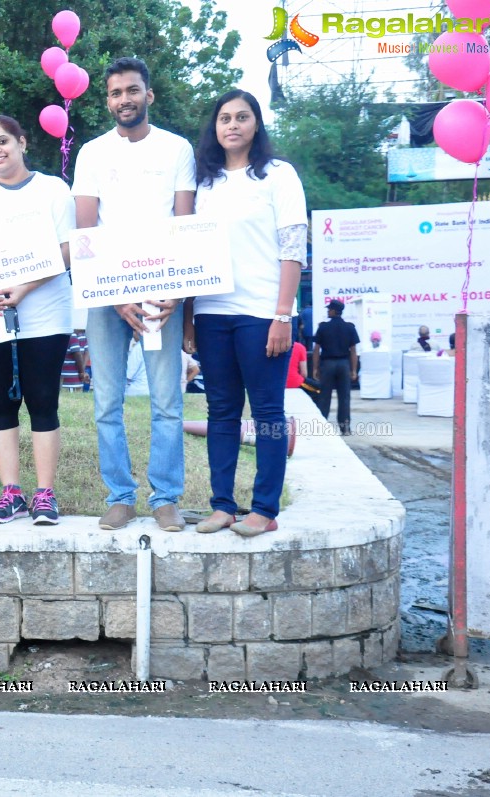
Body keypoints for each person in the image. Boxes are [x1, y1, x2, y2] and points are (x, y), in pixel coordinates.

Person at [71, 56, 196, 532]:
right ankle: (119, 496)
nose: (125, 99)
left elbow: (184, 226)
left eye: (133, 90)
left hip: (162, 295)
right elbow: (86, 230)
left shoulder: (176, 149)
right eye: (116, 92)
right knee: (107, 401)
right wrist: (113, 294)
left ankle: (165, 497)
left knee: (167, 400)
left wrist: (174, 296)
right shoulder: (92, 153)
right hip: (107, 296)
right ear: (107, 100)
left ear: (149, 95)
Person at [185, 89, 307, 537]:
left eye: (241, 117)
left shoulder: (279, 176)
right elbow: (190, 252)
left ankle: (265, 509)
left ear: (256, 124)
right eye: (223, 118)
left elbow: (293, 248)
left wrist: (282, 315)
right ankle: (222, 506)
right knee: (221, 411)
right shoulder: (205, 182)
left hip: (262, 314)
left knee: (269, 414)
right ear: (214, 129)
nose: (232, 125)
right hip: (212, 313)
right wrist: (189, 319)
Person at [0, 115, 74, 525]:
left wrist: (26, 287)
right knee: (0, 403)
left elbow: (68, 250)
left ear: (23, 142)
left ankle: (45, 495)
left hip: (45, 315)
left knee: (43, 402)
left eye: (3, 141)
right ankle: (10, 493)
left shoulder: (53, 190)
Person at [311, 299, 360, 435]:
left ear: (333, 311)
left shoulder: (323, 327)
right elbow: (353, 351)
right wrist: (354, 370)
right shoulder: (349, 327)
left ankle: (321, 427)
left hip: (327, 365)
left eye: (329, 309)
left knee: (324, 396)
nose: (328, 311)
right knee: (344, 397)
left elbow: (316, 350)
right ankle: (345, 428)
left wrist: (315, 368)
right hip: (344, 364)